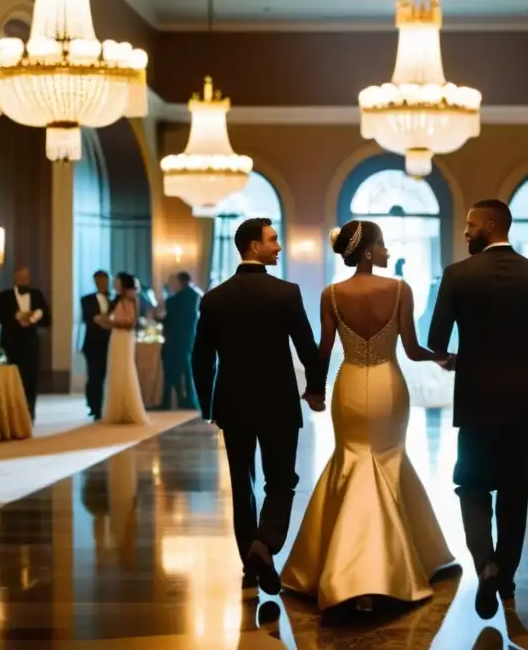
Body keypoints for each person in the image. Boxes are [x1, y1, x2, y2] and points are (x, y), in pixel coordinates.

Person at [281, 220, 455, 611]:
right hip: (388, 387)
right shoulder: (398, 289)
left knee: (352, 458)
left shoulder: (331, 294)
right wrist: (442, 358)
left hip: (349, 386)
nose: (388, 251)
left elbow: (323, 350)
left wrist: (315, 389)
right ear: (369, 252)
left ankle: (343, 567)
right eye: (383, 244)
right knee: (389, 459)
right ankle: (396, 564)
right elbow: (411, 349)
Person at [428, 199, 528, 619]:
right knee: (513, 492)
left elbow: (437, 339)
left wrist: (450, 358)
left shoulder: (457, 275)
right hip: (526, 401)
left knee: (470, 485)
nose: (466, 232)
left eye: (470, 225)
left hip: (476, 400)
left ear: (491, 224)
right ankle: (504, 577)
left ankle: (484, 562)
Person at [192, 217, 326, 599]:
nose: (279, 246)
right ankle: (264, 546)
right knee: (281, 481)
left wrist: (207, 403)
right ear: (254, 247)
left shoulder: (214, 298)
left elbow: (200, 358)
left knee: (242, 484)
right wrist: (315, 388)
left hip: (232, 403)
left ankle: (250, 561)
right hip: (279, 402)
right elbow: (306, 346)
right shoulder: (285, 293)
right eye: (272, 240)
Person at [0, 266, 50, 421]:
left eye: (26, 276)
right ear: (15, 277)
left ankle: (30, 415)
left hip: (31, 344)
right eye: (20, 276)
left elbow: (47, 319)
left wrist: (34, 317)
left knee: (31, 380)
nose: (23, 279)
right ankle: (11, 416)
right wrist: (16, 316)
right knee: (12, 380)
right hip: (10, 344)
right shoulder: (3, 297)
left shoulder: (37, 295)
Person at [97, 272, 150, 426]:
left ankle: (126, 408)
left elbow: (130, 323)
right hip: (116, 336)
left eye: (117, 282)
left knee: (123, 369)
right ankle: (117, 409)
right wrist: (104, 322)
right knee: (116, 369)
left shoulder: (128, 300)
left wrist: (109, 322)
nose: (114, 285)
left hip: (124, 337)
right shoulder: (119, 300)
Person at [159, 271, 201, 410]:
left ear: (179, 282)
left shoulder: (177, 299)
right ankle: (181, 401)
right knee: (182, 370)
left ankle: (178, 401)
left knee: (177, 370)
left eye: (171, 281)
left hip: (177, 340)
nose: (169, 284)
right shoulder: (193, 295)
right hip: (185, 339)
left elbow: (169, 318)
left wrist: (158, 316)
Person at [80, 270, 113, 421]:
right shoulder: (87, 300)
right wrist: (101, 320)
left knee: (107, 375)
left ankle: (106, 405)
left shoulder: (114, 299)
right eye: (100, 281)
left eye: (105, 281)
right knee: (94, 376)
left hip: (110, 343)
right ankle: (94, 407)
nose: (103, 284)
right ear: (95, 282)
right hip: (92, 343)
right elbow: (88, 318)